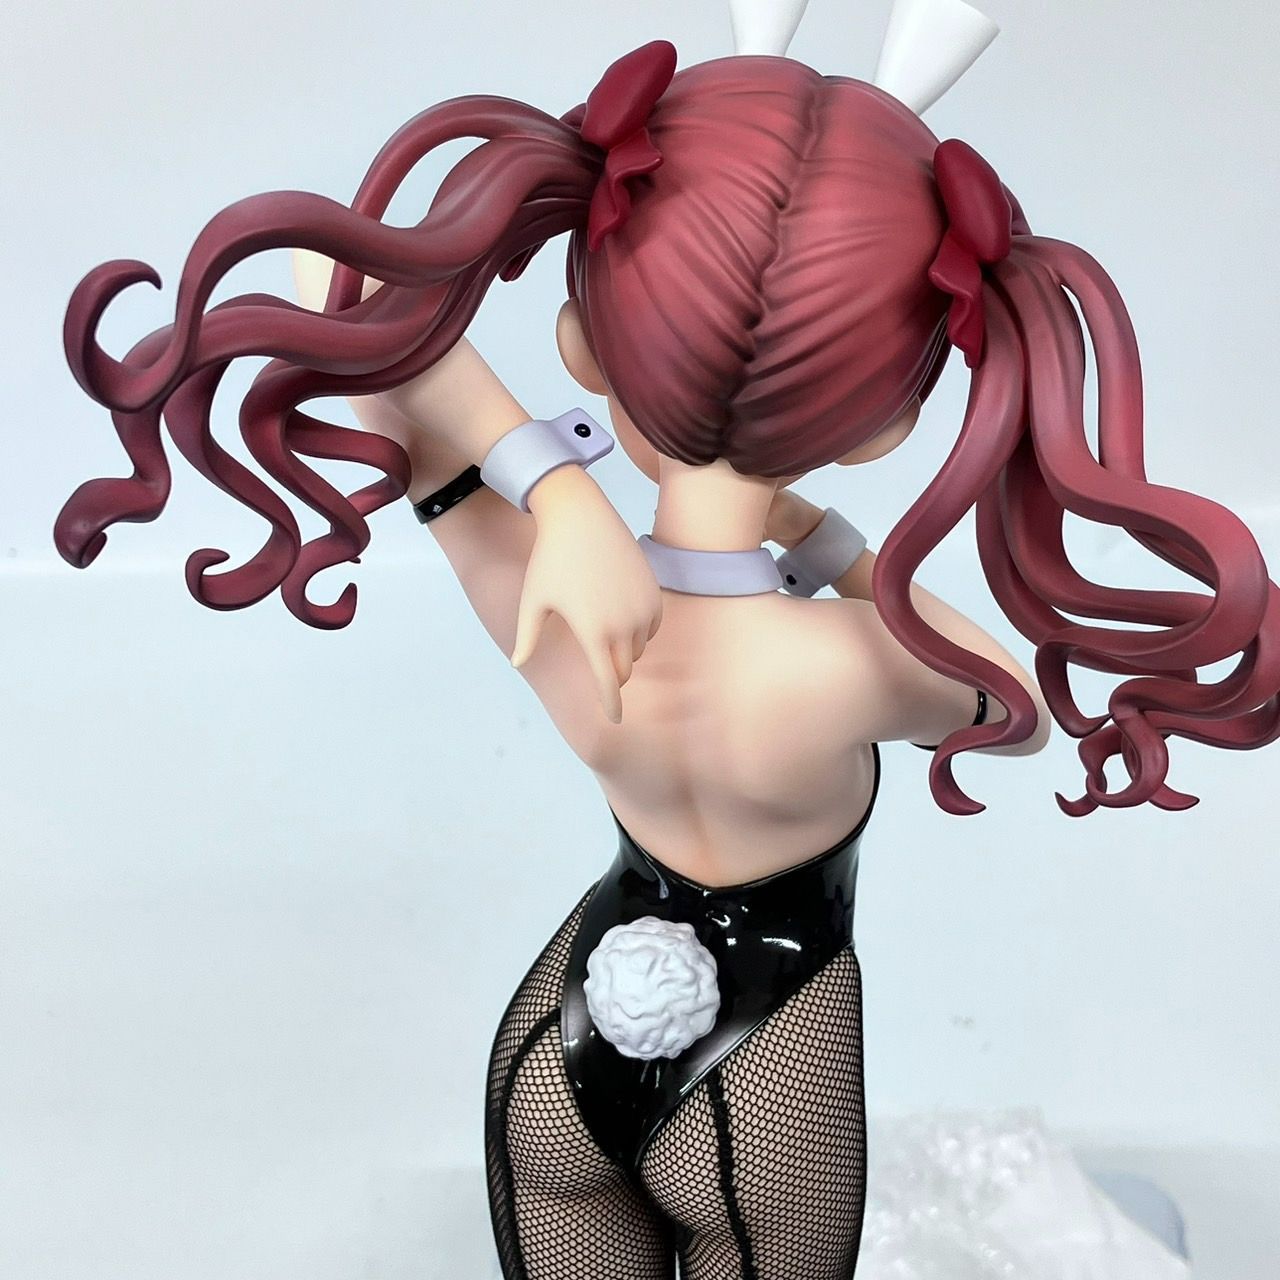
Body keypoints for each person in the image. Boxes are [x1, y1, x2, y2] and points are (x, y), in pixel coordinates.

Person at [55, 28, 1280, 1280]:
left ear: (583, 345)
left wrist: (554, 489)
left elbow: (331, 279)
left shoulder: (550, 601)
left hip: (556, 1046)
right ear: (886, 427)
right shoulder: (849, 663)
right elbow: (1011, 705)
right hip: (769, 1085)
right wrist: (830, 545)